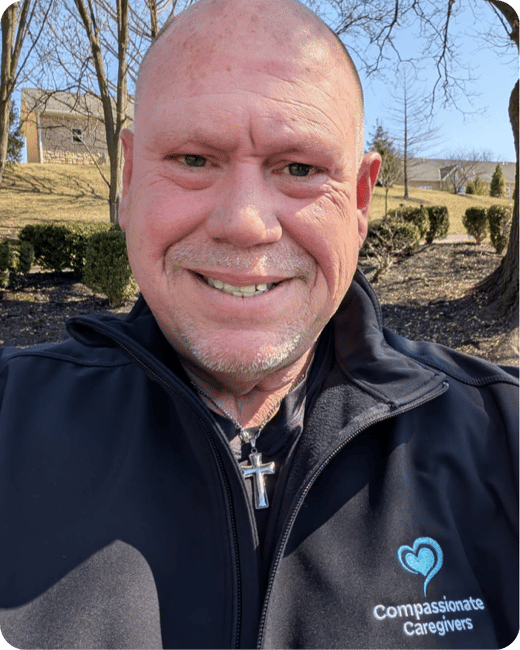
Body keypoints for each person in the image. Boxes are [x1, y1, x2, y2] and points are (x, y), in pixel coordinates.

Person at [0, 0, 517, 648]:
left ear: (359, 201)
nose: (245, 221)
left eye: (299, 169)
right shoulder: (10, 422)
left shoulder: (504, 442)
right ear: (128, 180)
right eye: (193, 159)